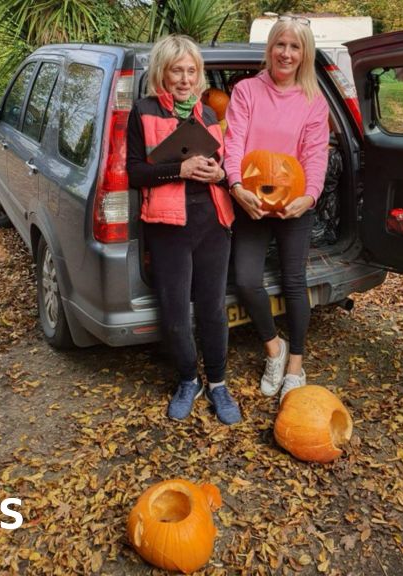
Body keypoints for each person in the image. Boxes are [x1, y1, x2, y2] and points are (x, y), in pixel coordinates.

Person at [125, 35, 241, 425]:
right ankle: (188, 379)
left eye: (192, 71)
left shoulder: (208, 115)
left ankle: (219, 385)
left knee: (212, 310)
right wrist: (180, 169)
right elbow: (136, 173)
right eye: (177, 70)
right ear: (162, 71)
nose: (185, 78)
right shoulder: (143, 111)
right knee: (175, 312)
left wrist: (219, 172)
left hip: (212, 221)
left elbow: (222, 168)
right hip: (169, 225)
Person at [223, 17, 330, 401]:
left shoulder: (313, 101)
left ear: (305, 54)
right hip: (250, 200)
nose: (286, 53)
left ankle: (296, 366)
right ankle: (274, 348)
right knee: (246, 279)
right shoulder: (246, 91)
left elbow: (315, 154)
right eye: (280, 45)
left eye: (295, 47)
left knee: (294, 282)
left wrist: (310, 196)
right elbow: (232, 143)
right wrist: (235, 186)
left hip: (295, 203)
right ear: (269, 49)